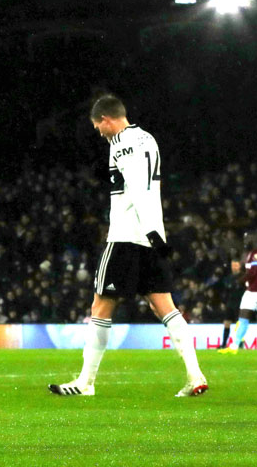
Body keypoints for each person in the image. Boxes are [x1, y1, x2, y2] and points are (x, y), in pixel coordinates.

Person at [49, 94, 207, 397]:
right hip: (151, 236)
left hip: (126, 236)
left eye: (98, 127)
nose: (99, 133)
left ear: (107, 119)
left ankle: (85, 383)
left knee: (100, 307)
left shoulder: (121, 144)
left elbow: (136, 188)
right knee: (166, 307)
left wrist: (150, 232)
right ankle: (195, 375)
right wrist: (157, 235)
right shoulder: (148, 138)